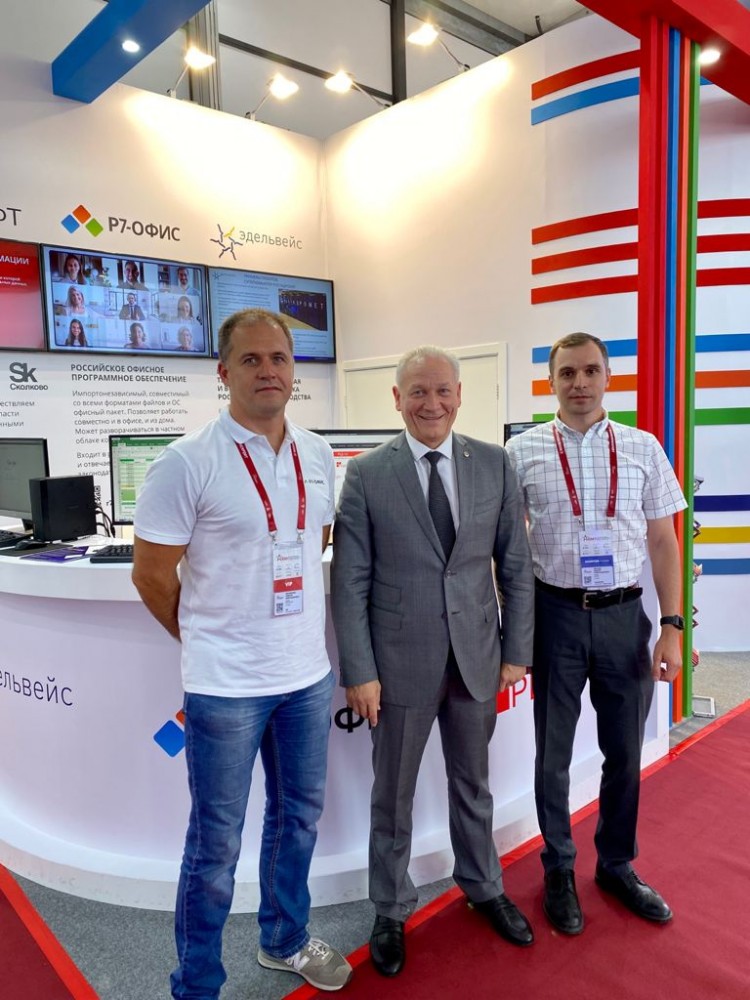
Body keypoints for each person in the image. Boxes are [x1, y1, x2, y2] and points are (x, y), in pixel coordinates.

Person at [131, 307, 352, 998]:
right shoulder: (186, 462)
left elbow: (312, 545)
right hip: (225, 687)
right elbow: (151, 575)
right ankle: (197, 983)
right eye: (251, 360)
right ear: (223, 373)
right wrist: (207, 637)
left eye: (278, 358)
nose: (267, 371)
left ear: (294, 370)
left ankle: (284, 939)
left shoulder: (317, 454)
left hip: (305, 678)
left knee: (298, 820)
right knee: (215, 844)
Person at [330, 345, 535, 977]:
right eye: (418, 391)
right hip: (397, 666)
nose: (432, 403)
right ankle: (390, 908)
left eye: (443, 390)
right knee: (392, 795)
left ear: (460, 395)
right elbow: (349, 581)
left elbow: (515, 564)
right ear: (397, 398)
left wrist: (517, 650)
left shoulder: (493, 463)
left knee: (473, 784)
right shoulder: (367, 474)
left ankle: (483, 885)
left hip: (476, 656)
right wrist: (360, 671)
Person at [505, 331, 686, 937]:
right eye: (567, 373)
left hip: (623, 617)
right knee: (552, 755)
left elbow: (663, 541)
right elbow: (507, 546)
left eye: (589, 371)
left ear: (608, 377)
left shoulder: (643, 447)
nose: (579, 383)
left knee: (625, 751)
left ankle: (615, 864)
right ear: (551, 382)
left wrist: (671, 627)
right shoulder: (521, 452)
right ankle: (558, 866)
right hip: (554, 615)